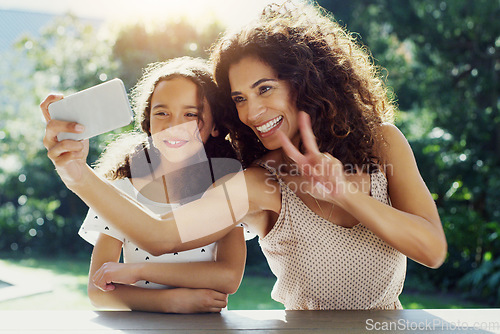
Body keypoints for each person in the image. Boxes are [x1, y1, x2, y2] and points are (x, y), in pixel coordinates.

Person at [42, 2, 447, 310]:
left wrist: (346, 194)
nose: (251, 113)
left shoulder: (383, 143)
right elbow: (161, 236)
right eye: (239, 98)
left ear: (306, 81)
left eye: (265, 89)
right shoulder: (260, 183)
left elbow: (432, 250)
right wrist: (76, 172)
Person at [42, 57, 246, 313]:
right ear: (147, 122)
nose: (174, 125)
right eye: (162, 113)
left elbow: (228, 277)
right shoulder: (118, 190)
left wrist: (137, 271)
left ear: (215, 125)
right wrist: (172, 302)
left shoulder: (223, 191)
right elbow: (98, 291)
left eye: (191, 114)